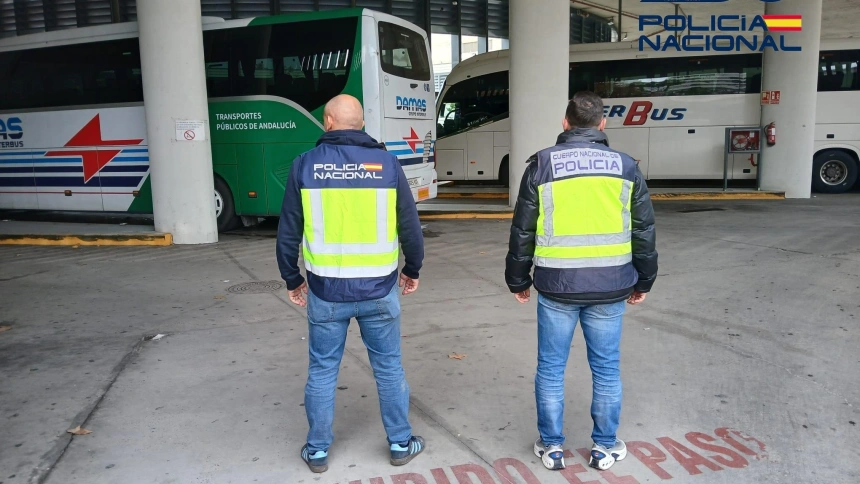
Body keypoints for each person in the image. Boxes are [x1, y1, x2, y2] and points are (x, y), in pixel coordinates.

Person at [504, 91, 658, 472]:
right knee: (606, 369)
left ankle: (552, 447)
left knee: (550, 369)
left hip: (557, 287)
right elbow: (643, 230)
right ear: (602, 124)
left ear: (565, 123)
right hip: (611, 286)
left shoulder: (542, 165)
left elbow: (522, 230)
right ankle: (604, 447)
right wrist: (644, 280)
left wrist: (518, 279)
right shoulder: (626, 167)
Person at [276, 94, 426, 474]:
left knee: (322, 370)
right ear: (361, 124)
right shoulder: (387, 164)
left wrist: (292, 278)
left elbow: (288, 231)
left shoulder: (304, 165)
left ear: (328, 122)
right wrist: (412, 269)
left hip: (326, 292)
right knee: (389, 368)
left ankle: (317, 450)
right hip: (380, 289)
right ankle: (400, 442)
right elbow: (410, 225)